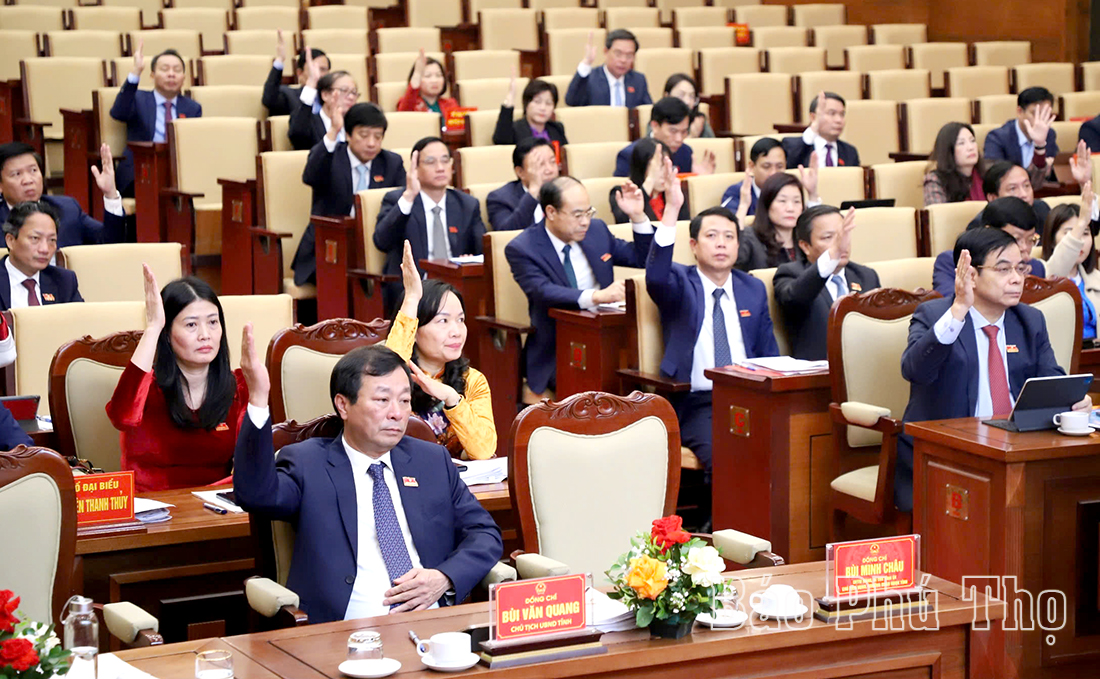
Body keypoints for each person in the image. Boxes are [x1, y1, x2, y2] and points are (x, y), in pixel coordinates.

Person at [233, 335, 503, 623]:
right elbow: (256, 496)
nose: (397, 413)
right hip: (343, 631)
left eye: (404, 400)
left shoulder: (431, 461)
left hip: (433, 626)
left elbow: (485, 533)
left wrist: (444, 577)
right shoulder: (308, 463)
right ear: (343, 405)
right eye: (382, 400)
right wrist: (258, 399)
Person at [898, 227, 1091, 511]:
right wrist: (959, 310)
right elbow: (915, 370)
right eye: (1003, 269)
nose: (1016, 278)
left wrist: (1073, 402)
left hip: (1018, 449)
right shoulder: (935, 316)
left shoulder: (1029, 320)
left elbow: (1052, 380)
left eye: (1020, 268)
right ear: (971, 275)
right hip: (947, 453)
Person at [645, 174, 778, 474]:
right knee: (725, 457)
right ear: (693, 245)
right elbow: (655, 276)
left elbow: (769, 353)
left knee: (785, 450)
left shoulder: (752, 288)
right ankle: (718, 506)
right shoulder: (680, 282)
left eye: (729, 237)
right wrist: (672, 210)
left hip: (751, 397)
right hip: (698, 402)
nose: (721, 244)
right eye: (712, 236)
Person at [505, 176, 654, 399]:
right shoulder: (523, 248)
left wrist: (638, 216)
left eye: (588, 212)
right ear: (551, 212)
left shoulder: (597, 230)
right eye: (577, 215)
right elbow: (542, 291)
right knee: (596, 393)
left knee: (641, 381)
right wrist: (597, 296)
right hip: (559, 349)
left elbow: (643, 259)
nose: (585, 221)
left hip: (609, 337)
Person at [107, 266, 248, 492]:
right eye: (191, 325)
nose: (205, 335)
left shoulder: (239, 387)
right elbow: (121, 417)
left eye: (213, 322)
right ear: (167, 334)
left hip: (215, 507)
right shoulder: (145, 389)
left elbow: (253, 464)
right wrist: (153, 328)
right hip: (152, 507)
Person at [386, 241, 496, 459]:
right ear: (414, 330)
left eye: (461, 320)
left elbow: (484, 451)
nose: (456, 332)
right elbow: (385, 372)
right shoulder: (395, 374)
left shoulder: (472, 381)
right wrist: (412, 298)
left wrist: (451, 398)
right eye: (443, 321)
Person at [291, 103, 407, 287]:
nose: (371, 143)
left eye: (378, 137)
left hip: (375, 245)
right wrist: (333, 131)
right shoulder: (330, 157)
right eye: (364, 135)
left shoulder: (391, 163)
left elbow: (401, 205)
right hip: (330, 245)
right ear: (348, 134)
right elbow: (310, 176)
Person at [373, 137, 485, 313]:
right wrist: (409, 195)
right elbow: (381, 241)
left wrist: (470, 259)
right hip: (413, 291)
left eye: (445, 160)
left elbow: (483, 250)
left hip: (457, 290)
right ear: (415, 169)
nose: (440, 167)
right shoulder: (398, 200)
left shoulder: (467, 204)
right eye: (431, 162)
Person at [774, 205, 881, 360]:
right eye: (828, 237)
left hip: (865, 366)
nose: (842, 243)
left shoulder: (866, 276)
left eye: (843, 235)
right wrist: (832, 255)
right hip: (820, 371)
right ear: (805, 246)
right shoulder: (791, 274)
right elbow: (794, 298)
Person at [110, 42, 202, 197]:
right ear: (152, 75)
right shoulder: (138, 99)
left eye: (177, 70)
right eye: (165, 69)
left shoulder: (192, 108)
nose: (171, 74)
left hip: (177, 173)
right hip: (140, 172)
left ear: (184, 78)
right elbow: (118, 113)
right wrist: (136, 72)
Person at [0, 142, 125, 248]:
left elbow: (110, 244)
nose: (28, 180)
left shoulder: (67, 209)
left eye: (33, 170)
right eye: (16, 174)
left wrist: (110, 193)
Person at [966, 145, 1098, 235]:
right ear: (993, 198)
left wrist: (1084, 183)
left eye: (1026, 186)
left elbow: (1088, 232)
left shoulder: (1040, 209)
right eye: (1013, 188)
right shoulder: (979, 227)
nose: (1023, 194)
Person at [932, 197, 1045, 297]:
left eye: (1030, 240)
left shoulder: (1036, 267)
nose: (1024, 247)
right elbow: (949, 303)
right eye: (1016, 239)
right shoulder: (953, 262)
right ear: (989, 231)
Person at [0, 201, 82, 310]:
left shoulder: (63, 281)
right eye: (35, 238)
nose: (45, 249)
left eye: (52, 240)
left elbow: (80, 319)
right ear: (11, 241)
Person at [736, 169, 821, 272]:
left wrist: (812, 195)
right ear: (767, 205)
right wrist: (743, 205)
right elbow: (735, 258)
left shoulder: (805, 241)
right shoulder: (751, 238)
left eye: (796, 201)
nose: (790, 208)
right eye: (782, 201)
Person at [1042, 185, 1099, 340]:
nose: (1080, 242)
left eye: (1085, 233)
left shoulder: (1097, 279)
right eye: (1070, 234)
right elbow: (1054, 274)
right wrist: (1081, 223)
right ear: (1052, 240)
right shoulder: (1041, 275)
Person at [613, 97, 715, 177]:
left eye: (684, 132)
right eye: (673, 131)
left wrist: (698, 180)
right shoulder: (630, 154)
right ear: (655, 126)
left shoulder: (686, 152)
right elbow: (622, 194)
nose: (679, 139)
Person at [983, 87, 1058, 190]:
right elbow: (996, 179)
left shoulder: (1049, 135)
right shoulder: (997, 138)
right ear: (1020, 111)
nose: (1039, 120)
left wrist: (1040, 145)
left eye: (1045, 114)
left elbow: (1044, 180)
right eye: (1034, 113)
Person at [485, 137, 559, 231]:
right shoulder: (500, 198)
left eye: (552, 162)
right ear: (520, 172)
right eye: (540, 164)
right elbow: (506, 234)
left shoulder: (567, 192)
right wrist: (534, 190)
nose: (550, 170)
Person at [565, 29, 652, 108]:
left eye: (629, 55)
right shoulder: (591, 78)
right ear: (606, 52)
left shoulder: (638, 80)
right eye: (618, 54)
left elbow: (648, 110)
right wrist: (586, 63)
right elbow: (571, 101)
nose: (623, 60)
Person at [610, 138, 689, 224]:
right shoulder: (621, 193)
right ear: (642, 166)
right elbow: (624, 221)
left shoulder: (673, 193)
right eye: (659, 167)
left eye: (667, 166)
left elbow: (684, 226)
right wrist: (650, 180)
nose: (665, 173)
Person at [783, 91, 859, 169]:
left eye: (842, 114)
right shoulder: (792, 146)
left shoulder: (850, 152)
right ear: (813, 117)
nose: (839, 120)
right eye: (832, 113)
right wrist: (814, 127)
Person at [262, 31, 330, 118]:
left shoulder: (334, 98)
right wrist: (280, 60)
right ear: (300, 73)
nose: (318, 74)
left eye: (323, 69)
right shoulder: (289, 95)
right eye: (313, 69)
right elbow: (269, 100)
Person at [288, 69, 359, 151]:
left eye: (354, 92)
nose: (351, 97)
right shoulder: (308, 121)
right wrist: (310, 87)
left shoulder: (357, 124)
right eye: (344, 90)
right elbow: (297, 135)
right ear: (325, 95)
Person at [492, 75, 568, 147]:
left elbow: (565, 153)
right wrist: (510, 99)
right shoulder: (514, 129)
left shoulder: (556, 128)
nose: (543, 108)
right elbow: (501, 141)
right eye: (537, 102)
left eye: (548, 103)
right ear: (526, 104)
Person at [720, 138, 787, 216]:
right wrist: (744, 205)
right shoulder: (736, 192)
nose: (773, 173)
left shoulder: (791, 191)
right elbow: (730, 221)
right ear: (752, 166)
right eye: (766, 166)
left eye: (779, 167)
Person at [923, 122, 985, 205]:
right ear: (948, 150)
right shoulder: (935, 180)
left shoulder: (984, 175)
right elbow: (938, 211)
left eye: (972, 141)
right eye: (961, 143)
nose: (970, 147)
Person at [397, 49, 460, 121]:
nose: (434, 80)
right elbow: (403, 116)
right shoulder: (410, 104)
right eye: (428, 76)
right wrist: (417, 74)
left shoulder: (451, 104)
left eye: (438, 75)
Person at [663, 73, 714, 138]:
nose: (687, 101)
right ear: (667, 96)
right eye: (681, 95)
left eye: (691, 96)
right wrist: (691, 136)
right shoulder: (658, 120)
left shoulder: (698, 123)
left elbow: (713, 143)